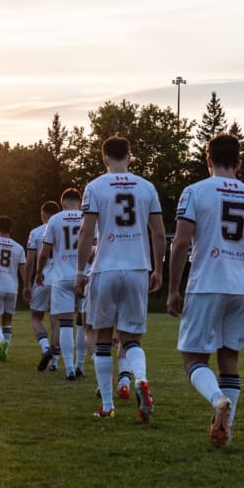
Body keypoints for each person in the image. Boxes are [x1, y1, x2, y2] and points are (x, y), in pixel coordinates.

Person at [167, 133, 244, 446]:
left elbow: (182, 242)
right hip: (241, 288)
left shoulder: (195, 192)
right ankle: (225, 429)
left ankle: (216, 399)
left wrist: (173, 288)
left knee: (193, 358)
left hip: (206, 284)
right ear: (239, 164)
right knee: (230, 360)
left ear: (207, 159)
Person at [75, 136, 166, 421]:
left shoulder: (95, 187)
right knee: (132, 339)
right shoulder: (147, 187)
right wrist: (158, 269)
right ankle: (140, 378)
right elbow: (160, 233)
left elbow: (86, 233)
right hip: (138, 267)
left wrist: (80, 272)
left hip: (105, 268)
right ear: (130, 156)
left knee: (102, 336)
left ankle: (107, 405)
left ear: (104, 158)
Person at [38, 189, 84, 381]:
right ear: (80, 203)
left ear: (63, 204)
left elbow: (44, 252)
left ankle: (69, 369)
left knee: (65, 324)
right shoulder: (88, 217)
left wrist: (39, 271)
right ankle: (80, 365)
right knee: (83, 324)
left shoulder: (55, 219)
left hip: (62, 276)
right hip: (84, 275)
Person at [23, 201, 61, 370]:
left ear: (43, 214)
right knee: (57, 319)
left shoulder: (36, 232)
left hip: (43, 277)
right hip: (61, 277)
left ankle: (45, 347)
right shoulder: (65, 228)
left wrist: (26, 283)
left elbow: (30, 260)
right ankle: (55, 362)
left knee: (36, 316)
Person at [0, 216, 26, 361]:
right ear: (11, 229)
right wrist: (26, 286)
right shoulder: (19, 247)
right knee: (8, 320)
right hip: (12, 287)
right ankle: (5, 352)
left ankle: (1, 340)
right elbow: (23, 270)